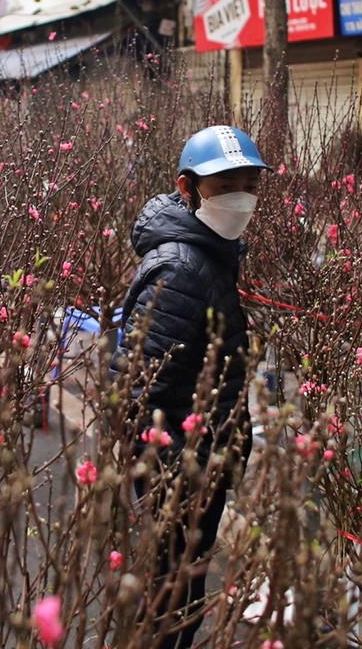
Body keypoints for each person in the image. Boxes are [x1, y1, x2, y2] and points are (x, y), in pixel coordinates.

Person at [110, 124, 268, 649]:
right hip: (180, 472)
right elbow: (136, 391)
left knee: (178, 590)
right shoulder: (181, 268)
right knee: (172, 601)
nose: (240, 196)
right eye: (225, 185)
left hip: (198, 462)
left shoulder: (210, 250)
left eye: (248, 182)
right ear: (187, 188)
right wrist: (189, 469)